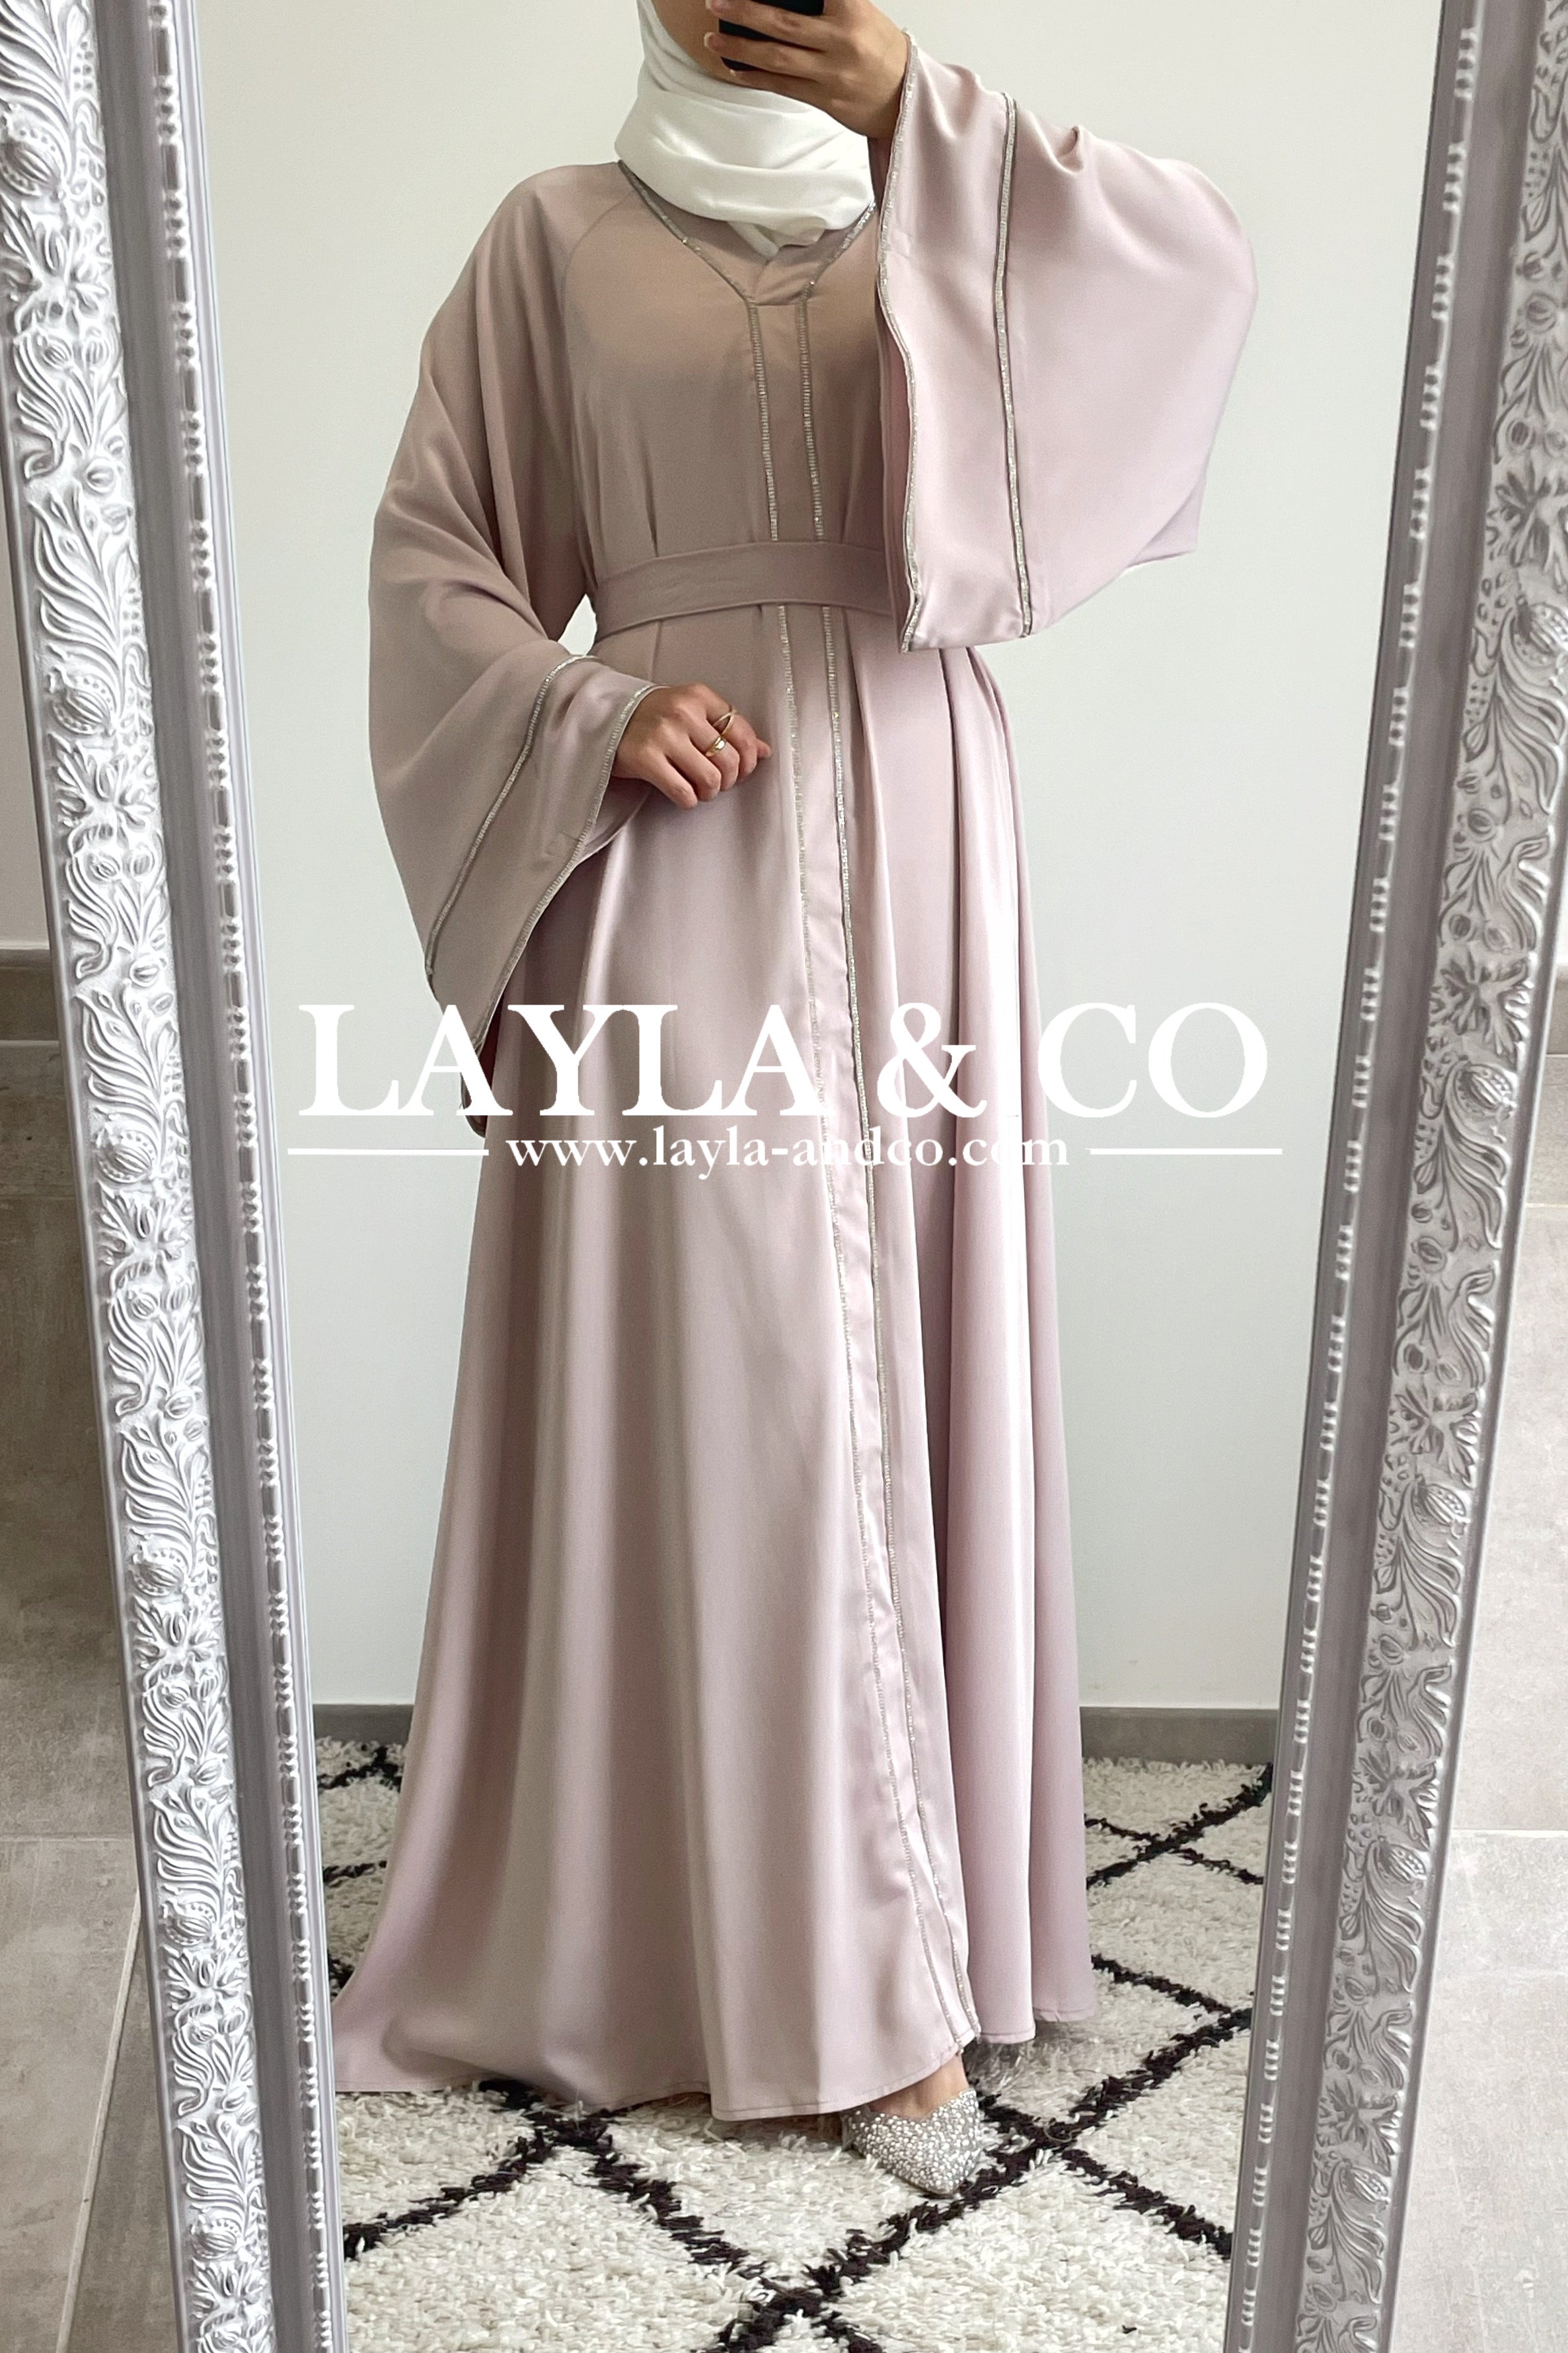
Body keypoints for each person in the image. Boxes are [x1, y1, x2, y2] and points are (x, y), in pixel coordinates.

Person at [330, 0, 1255, 2196]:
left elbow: (1196, 278)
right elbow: (435, 564)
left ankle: (901, 1941)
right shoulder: (554, 240)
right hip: (673, 843)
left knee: (886, 1348)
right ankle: (799, 1979)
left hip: (923, 823)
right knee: (744, 1368)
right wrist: (588, 709)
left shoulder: (954, 210)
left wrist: (919, 108)